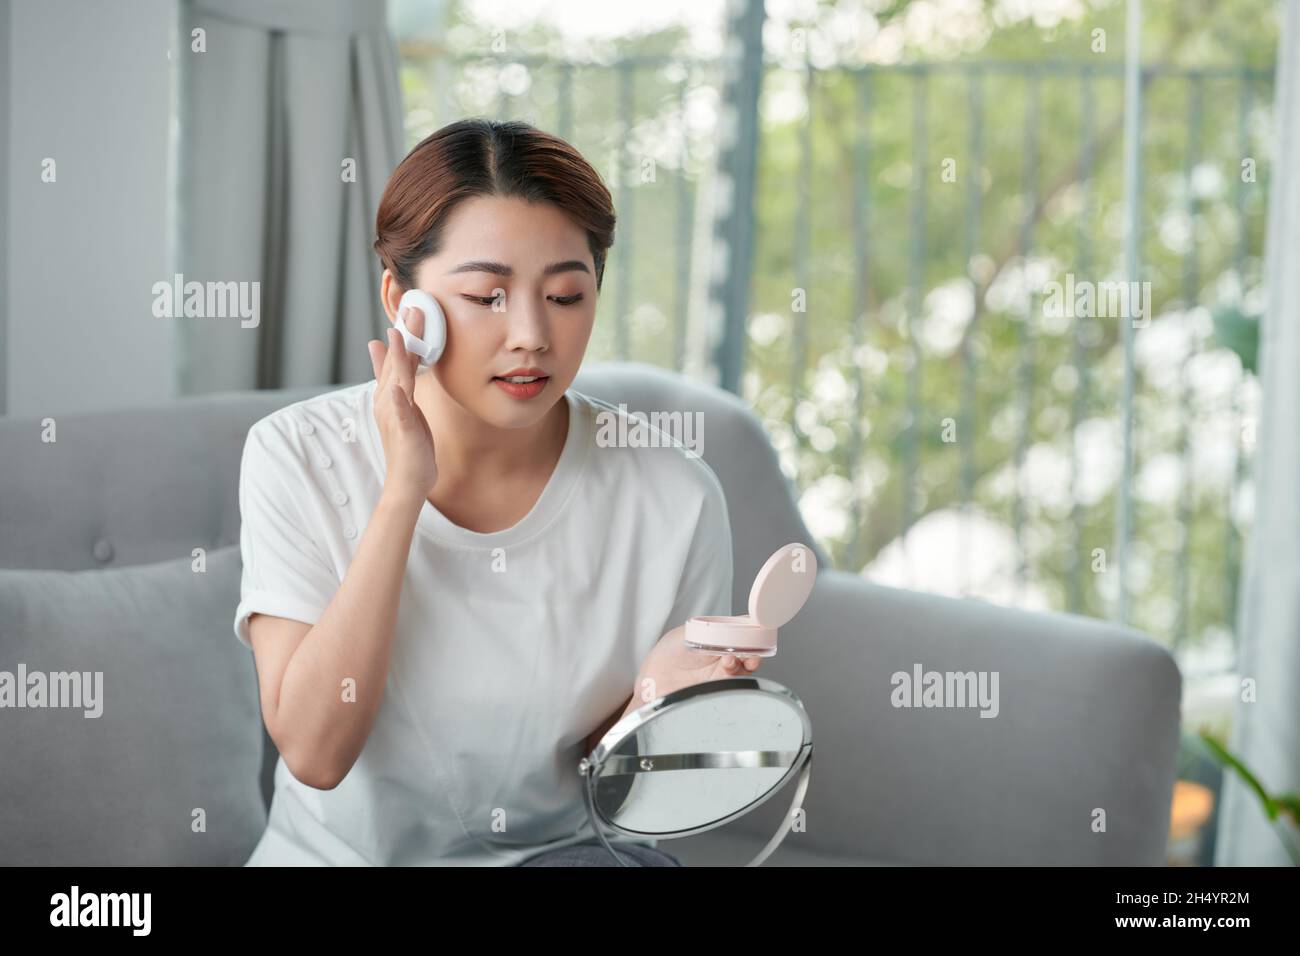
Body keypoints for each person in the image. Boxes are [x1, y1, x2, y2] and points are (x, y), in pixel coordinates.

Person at [232, 118, 760, 866]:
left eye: (567, 296)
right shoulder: (297, 454)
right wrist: (401, 493)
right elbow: (317, 752)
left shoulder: (675, 496)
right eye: (487, 296)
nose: (532, 334)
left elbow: (634, 795)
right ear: (403, 302)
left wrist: (654, 707)